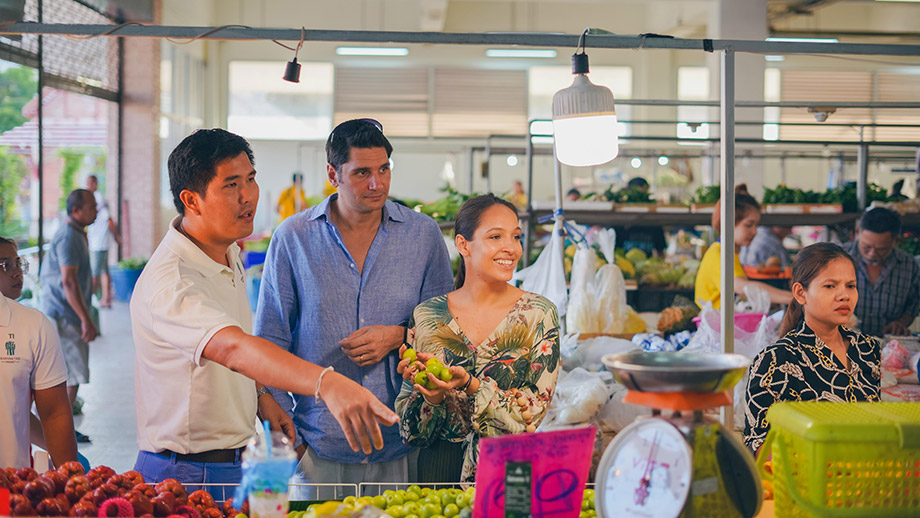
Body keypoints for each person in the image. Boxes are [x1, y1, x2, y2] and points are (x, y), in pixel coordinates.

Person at [130, 128, 398, 491]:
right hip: (186, 473)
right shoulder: (173, 282)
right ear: (191, 200)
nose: (247, 196)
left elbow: (234, 344)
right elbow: (233, 348)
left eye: (250, 179)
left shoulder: (226, 252)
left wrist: (260, 395)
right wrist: (327, 383)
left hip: (233, 461)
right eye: (230, 185)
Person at [254, 118, 453, 497]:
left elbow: (445, 327)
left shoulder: (423, 234)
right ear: (333, 173)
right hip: (318, 442)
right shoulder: (293, 237)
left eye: (383, 170)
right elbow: (270, 336)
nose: (376, 184)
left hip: (400, 440)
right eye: (362, 172)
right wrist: (292, 442)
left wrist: (398, 335)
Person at [395, 194, 561, 483]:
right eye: (496, 236)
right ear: (463, 245)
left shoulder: (539, 314)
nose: (510, 248)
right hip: (438, 469)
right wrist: (432, 398)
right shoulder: (427, 317)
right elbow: (411, 433)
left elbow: (531, 415)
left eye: (516, 237)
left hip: (511, 471)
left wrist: (471, 386)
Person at [744, 243, 880, 454]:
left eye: (851, 285)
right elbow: (760, 447)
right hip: (806, 479)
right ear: (800, 293)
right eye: (830, 286)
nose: (844, 295)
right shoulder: (775, 360)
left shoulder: (867, 348)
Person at [0, 236, 78, 468]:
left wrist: (70, 475)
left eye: (18, 264)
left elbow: (54, 413)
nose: (17, 273)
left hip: (9, 489)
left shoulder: (32, 325)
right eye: (5, 265)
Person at [40, 189, 98, 444]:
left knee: (72, 373)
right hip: (65, 316)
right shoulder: (68, 237)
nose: (95, 210)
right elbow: (68, 281)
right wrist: (85, 318)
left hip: (67, 313)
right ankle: (59, 430)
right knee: (72, 374)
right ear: (76, 210)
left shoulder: (75, 233)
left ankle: (62, 428)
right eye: (91, 206)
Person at [695, 185, 793, 310]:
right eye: (748, 225)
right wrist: (791, 298)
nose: (754, 231)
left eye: (756, 225)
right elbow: (743, 288)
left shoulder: (732, 254)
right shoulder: (718, 254)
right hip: (717, 327)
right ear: (728, 223)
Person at [843, 207, 920, 337]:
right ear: (857, 233)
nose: (872, 254)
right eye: (867, 247)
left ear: (895, 241)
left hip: (888, 346)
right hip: (842, 342)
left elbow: (912, 306)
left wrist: (900, 323)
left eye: (881, 249)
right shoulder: (837, 258)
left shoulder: (908, 266)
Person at [86, 175, 121, 309]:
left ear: (96, 184)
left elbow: (109, 220)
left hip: (99, 242)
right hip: (97, 241)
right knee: (104, 270)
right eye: (87, 183)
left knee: (95, 272)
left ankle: (90, 300)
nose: (88, 186)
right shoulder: (92, 199)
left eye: (90, 183)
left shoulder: (98, 199)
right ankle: (106, 299)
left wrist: (116, 236)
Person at [615, 177, 667, 257]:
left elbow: (660, 252)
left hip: (647, 267)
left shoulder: (655, 224)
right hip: (623, 267)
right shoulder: (620, 222)